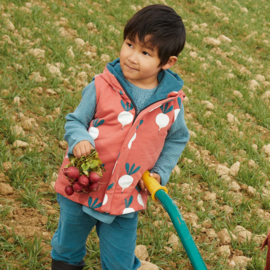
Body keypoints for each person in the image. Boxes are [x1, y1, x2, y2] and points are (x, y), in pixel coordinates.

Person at [51, 4, 190, 270]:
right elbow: (75, 120)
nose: (131, 57)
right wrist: (80, 138)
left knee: (119, 262)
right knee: (67, 247)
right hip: (82, 186)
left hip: (126, 198)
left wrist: (161, 171)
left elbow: (176, 139)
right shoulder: (102, 85)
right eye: (129, 44)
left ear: (168, 62)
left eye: (146, 52)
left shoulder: (171, 104)